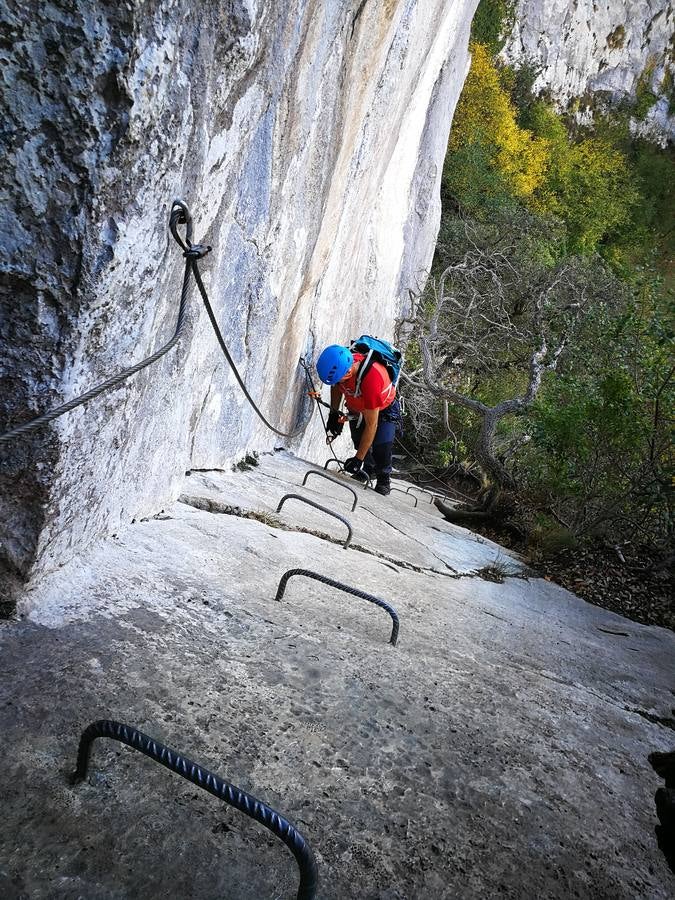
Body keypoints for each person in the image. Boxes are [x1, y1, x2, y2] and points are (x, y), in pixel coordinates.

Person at [315, 344, 401, 496]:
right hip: (359, 406)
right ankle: (368, 469)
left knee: (382, 446)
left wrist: (357, 460)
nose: (338, 382)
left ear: (348, 372)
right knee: (358, 440)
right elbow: (336, 386)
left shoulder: (372, 378)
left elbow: (371, 425)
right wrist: (333, 414)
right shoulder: (341, 367)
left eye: (339, 379)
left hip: (385, 409)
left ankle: (383, 479)